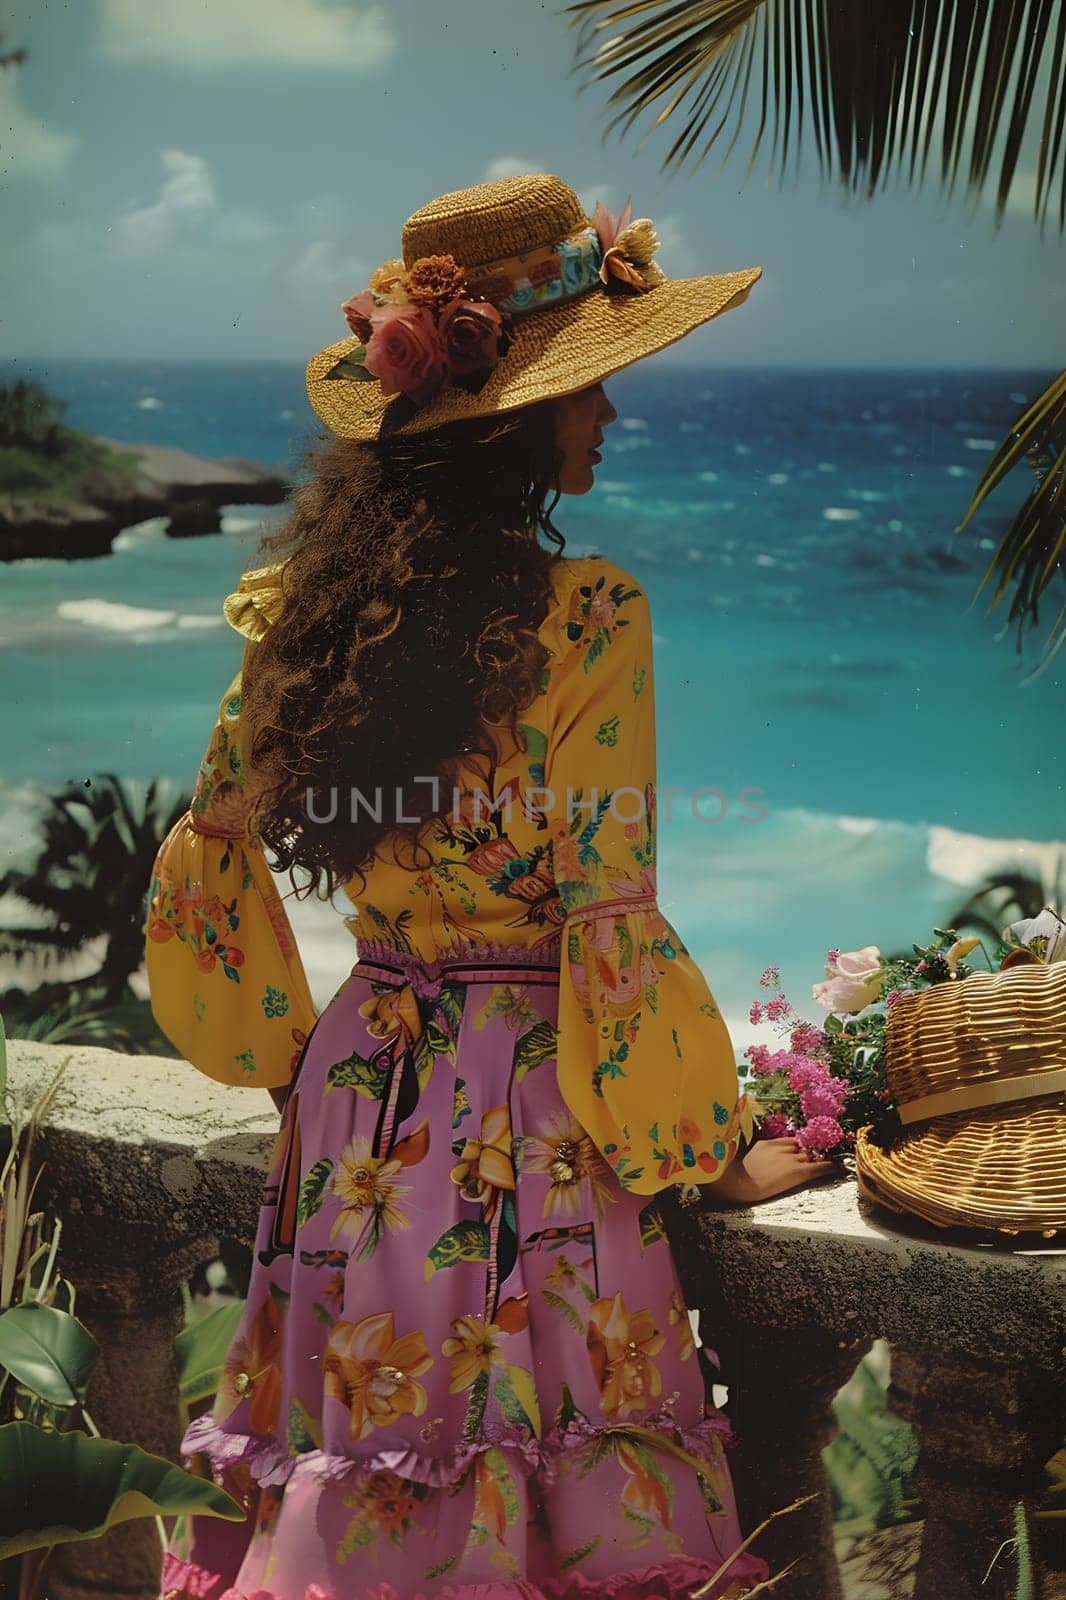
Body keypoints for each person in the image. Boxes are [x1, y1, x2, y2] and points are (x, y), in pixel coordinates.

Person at [147, 173, 833, 1600]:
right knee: (548, 1502)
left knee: (358, 1484)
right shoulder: (589, 615)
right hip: (537, 1112)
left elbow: (209, 866)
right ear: (522, 418)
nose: (611, 415)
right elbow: (607, 920)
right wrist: (708, 1149)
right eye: (593, 389)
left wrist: (293, 1059)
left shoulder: (295, 617)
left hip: (358, 1100)